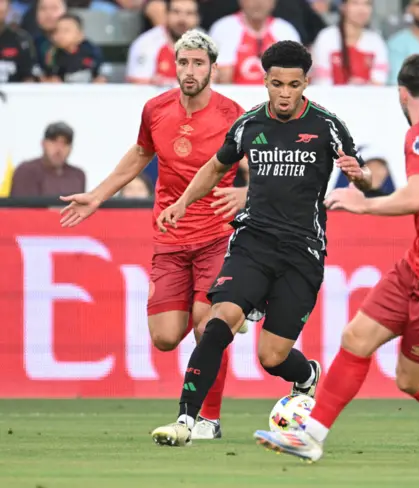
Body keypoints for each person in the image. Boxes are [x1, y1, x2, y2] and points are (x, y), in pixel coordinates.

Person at [253, 53, 419, 465]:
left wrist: (363, 203)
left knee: (411, 378)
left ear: (402, 94)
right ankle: (310, 437)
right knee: (356, 337)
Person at [150, 40, 372, 447]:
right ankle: (186, 420)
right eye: (276, 84)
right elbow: (216, 167)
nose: (284, 93)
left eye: (292, 85)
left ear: (305, 83)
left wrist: (361, 177)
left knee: (271, 358)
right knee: (217, 322)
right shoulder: (249, 124)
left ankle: (305, 376)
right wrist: (183, 202)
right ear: (265, 82)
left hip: (302, 251)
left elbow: (364, 175)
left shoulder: (327, 125)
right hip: (252, 243)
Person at [59, 29, 253, 441]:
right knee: (165, 338)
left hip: (217, 234)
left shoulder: (234, 114)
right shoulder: (156, 109)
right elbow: (140, 153)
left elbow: (266, 162)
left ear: (213, 69)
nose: (189, 70)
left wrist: (246, 191)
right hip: (170, 237)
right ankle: (236, 312)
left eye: (198, 63)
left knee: (207, 328)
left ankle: (208, 420)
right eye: (183, 62)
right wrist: (97, 195)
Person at [310, 0, 388, 85]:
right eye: (355, 3)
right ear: (343, 7)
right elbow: (322, 82)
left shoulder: (376, 41)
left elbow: (379, 82)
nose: (362, 9)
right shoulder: (326, 37)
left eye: (367, 4)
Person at [11, 122, 84, 197]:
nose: (59, 149)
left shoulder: (78, 175)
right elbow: (22, 206)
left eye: (65, 143)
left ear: (71, 148)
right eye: (54, 141)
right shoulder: (26, 170)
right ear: (43, 143)